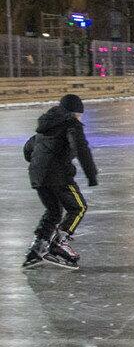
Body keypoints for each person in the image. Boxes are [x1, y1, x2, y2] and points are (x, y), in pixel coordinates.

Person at [22, 94, 98, 271]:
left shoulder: (47, 124)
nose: (80, 117)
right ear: (75, 113)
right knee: (78, 207)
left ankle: (37, 249)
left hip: (37, 176)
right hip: (58, 175)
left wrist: (39, 163)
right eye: (79, 114)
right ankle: (58, 244)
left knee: (54, 212)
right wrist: (91, 174)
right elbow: (81, 148)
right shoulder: (71, 124)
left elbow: (28, 148)